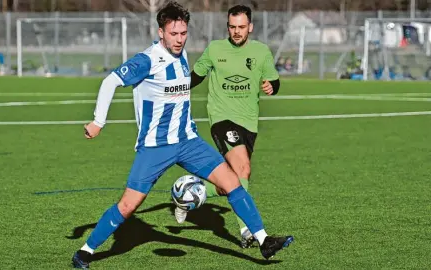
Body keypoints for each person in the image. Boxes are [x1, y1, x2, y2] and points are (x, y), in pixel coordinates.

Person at [72, 2, 293, 268]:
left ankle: (263, 240)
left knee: (232, 181)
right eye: (173, 34)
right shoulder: (147, 60)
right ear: (160, 32)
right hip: (156, 147)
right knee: (128, 206)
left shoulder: (182, 55)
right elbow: (110, 81)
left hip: (188, 141)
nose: (179, 39)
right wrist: (98, 122)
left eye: (183, 33)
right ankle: (85, 251)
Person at [173, 5, 282, 249]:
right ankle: (247, 231)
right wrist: (173, 89)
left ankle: (190, 195)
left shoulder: (262, 52)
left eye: (241, 27)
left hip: (249, 122)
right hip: (222, 119)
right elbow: (196, 76)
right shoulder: (215, 49)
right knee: (242, 167)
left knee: (236, 179)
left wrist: (271, 87)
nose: (236, 31)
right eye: (232, 27)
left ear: (250, 27)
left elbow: (274, 81)